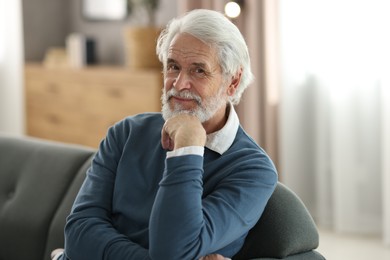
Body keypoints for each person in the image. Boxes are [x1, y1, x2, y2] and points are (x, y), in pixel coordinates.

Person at [53, 9, 277, 260]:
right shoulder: (126, 133)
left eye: (199, 71)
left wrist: (188, 148)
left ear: (232, 82)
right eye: (173, 67)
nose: (179, 84)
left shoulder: (253, 171)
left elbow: (172, 251)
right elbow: (78, 232)